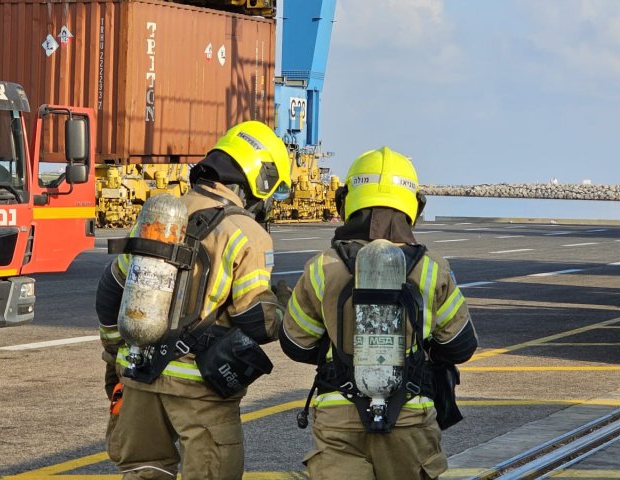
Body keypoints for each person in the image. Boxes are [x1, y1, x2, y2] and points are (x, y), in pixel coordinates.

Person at [95, 120, 294, 479]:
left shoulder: (157, 216)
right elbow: (255, 321)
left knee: (144, 470)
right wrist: (281, 304)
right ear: (259, 179)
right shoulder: (246, 233)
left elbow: (111, 290)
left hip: (139, 374)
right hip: (198, 388)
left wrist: (114, 356)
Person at [279, 146, 478, 479]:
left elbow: (295, 345)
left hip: (338, 418)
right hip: (410, 419)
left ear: (347, 202)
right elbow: (460, 346)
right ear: (414, 206)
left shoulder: (321, 268)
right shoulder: (431, 269)